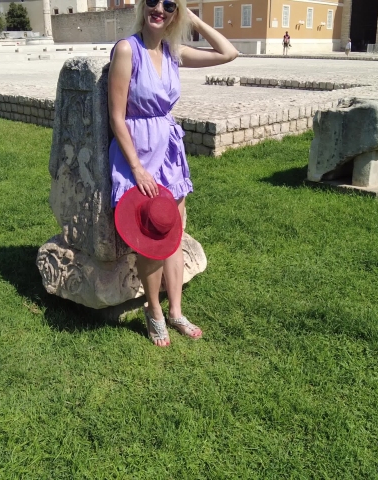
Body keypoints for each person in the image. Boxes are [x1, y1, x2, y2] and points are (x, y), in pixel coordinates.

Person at [108, 0, 238, 346]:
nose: (159, 10)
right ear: (142, 5)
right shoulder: (127, 50)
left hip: (169, 153)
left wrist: (191, 17)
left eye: (169, 5)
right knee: (149, 240)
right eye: (153, 1)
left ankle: (176, 311)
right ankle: (154, 312)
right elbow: (117, 117)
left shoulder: (172, 52)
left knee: (173, 235)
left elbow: (229, 53)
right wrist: (136, 168)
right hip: (139, 156)